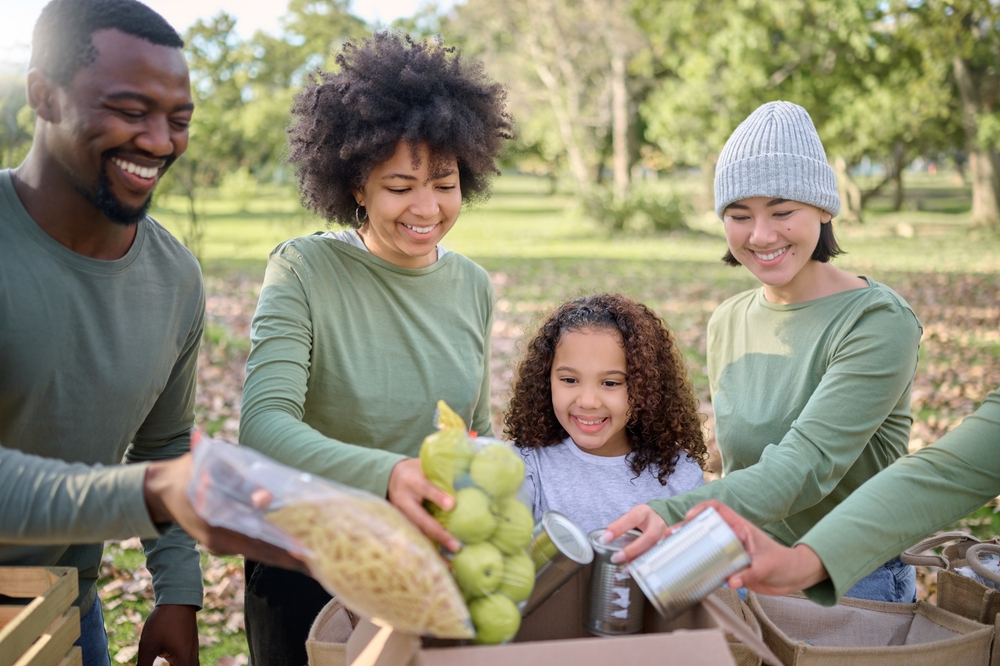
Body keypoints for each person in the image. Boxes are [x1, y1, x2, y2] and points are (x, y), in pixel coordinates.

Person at [238, 32, 513, 666]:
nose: (427, 207)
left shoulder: (471, 283)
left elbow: (471, 428)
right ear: (355, 185)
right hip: (306, 562)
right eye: (400, 186)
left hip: (423, 563)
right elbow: (263, 426)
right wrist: (390, 475)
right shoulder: (302, 269)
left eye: (444, 183)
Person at [603, 101, 923, 603]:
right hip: (740, 567)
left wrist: (670, 515)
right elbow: (737, 467)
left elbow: (802, 470)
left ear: (823, 207)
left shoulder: (878, 321)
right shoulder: (728, 319)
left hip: (849, 583)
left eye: (782, 211)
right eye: (739, 215)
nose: (761, 235)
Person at [0, 1, 206, 664]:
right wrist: (147, 494)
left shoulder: (175, 277)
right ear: (44, 96)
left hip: (64, 605)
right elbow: (160, 478)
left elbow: (164, 441)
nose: (158, 141)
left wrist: (177, 593)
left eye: (178, 120)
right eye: (129, 109)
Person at [667, 388, 1000, 605]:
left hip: (864, 584)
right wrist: (804, 562)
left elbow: (808, 459)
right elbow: (943, 472)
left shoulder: (881, 318)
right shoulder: (731, 319)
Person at [503, 294, 707, 536]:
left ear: (648, 386)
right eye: (569, 380)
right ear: (545, 380)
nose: (588, 402)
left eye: (610, 383)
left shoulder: (680, 475)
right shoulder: (526, 465)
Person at [0, 443, 305, 573]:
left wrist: (176, 593)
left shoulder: (178, 306)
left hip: (72, 596)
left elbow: (164, 440)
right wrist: (154, 489)